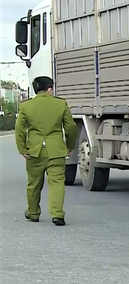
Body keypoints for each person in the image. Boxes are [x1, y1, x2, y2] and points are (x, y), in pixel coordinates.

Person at [15, 76, 78, 226]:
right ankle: (57, 214)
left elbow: (19, 129)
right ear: (49, 89)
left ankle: (33, 212)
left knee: (34, 183)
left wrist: (22, 148)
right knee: (57, 182)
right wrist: (69, 146)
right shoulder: (60, 104)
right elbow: (70, 127)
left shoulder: (26, 106)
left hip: (35, 151)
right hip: (56, 151)